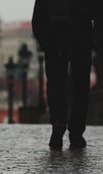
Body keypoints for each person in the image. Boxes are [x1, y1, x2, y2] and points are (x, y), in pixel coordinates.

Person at [32, 0, 96, 149]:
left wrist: (45, 42)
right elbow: (96, 9)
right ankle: (76, 132)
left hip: (54, 36)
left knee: (55, 83)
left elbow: (38, 16)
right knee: (81, 85)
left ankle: (58, 123)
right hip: (81, 36)